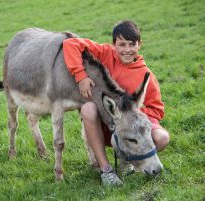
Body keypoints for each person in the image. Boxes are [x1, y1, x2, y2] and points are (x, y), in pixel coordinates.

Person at [62, 20, 170, 186]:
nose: (127, 50)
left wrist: (131, 117)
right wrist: (80, 75)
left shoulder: (145, 74)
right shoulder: (105, 52)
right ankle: (106, 170)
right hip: (104, 122)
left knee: (162, 138)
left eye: (131, 44)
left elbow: (157, 110)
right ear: (113, 44)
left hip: (132, 125)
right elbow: (70, 43)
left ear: (139, 44)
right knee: (88, 108)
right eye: (121, 45)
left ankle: (128, 160)